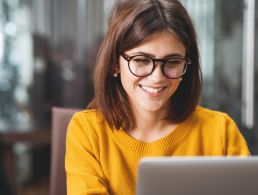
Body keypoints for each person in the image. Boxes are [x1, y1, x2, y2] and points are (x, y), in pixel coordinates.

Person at [65, 0, 250, 194]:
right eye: (141, 60)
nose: (157, 78)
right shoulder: (87, 131)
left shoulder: (221, 132)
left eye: (172, 61)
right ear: (115, 64)